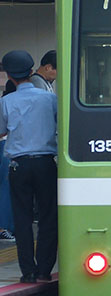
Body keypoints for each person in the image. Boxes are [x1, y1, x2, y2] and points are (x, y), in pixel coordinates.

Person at [0, 50, 57, 283]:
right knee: (48, 218)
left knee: (22, 219)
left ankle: (28, 272)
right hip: (45, 163)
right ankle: (44, 269)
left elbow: (2, 132)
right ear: (32, 70)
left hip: (18, 165)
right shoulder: (50, 99)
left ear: (9, 77)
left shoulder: (5, 102)